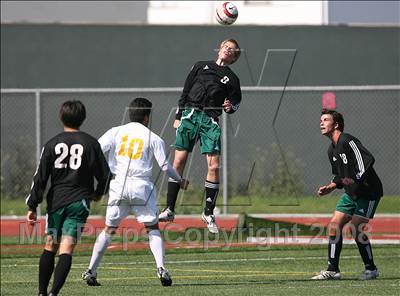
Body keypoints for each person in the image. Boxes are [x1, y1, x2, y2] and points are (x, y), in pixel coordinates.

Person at [82, 97, 188, 287]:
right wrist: (179, 180)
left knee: (109, 229)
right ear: (147, 117)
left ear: (130, 114)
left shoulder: (115, 132)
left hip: (118, 184)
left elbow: (95, 150)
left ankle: (91, 270)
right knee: (152, 228)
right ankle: (161, 268)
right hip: (141, 186)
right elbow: (165, 167)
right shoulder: (153, 137)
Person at [26, 100, 110, 296]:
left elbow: (40, 177)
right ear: (83, 118)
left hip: (56, 202)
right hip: (79, 203)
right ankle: (54, 293)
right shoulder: (91, 143)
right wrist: (98, 194)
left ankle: (41, 292)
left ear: (61, 116)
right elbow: (105, 175)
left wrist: (32, 205)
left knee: (50, 245)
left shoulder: (52, 143)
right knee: (67, 248)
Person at [158, 38, 242, 234]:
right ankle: (169, 209)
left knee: (213, 165)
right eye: (226, 47)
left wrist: (230, 108)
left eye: (232, 50)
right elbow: (185, 91)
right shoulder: (200, 66)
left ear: (234, 56)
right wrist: (178, 115)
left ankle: (208, 212)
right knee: (178, 160)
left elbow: (235, 103)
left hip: (210, 120)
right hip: (190, 115)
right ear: (220, 48)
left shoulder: (232, 79)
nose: (228, 50)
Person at [312, 109, 383, 280]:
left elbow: (366, 159)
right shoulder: (332, 150)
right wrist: (330, 186)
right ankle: (333, 270)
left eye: (325, 120)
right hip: (351, 194)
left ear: (336, 124)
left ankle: (371, 269)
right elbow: (339, 176)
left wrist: (356, 179)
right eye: (320, 120)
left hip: (368, 192)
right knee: (334, 225)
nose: (321, 123)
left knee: (356, 227)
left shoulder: (347, 140)